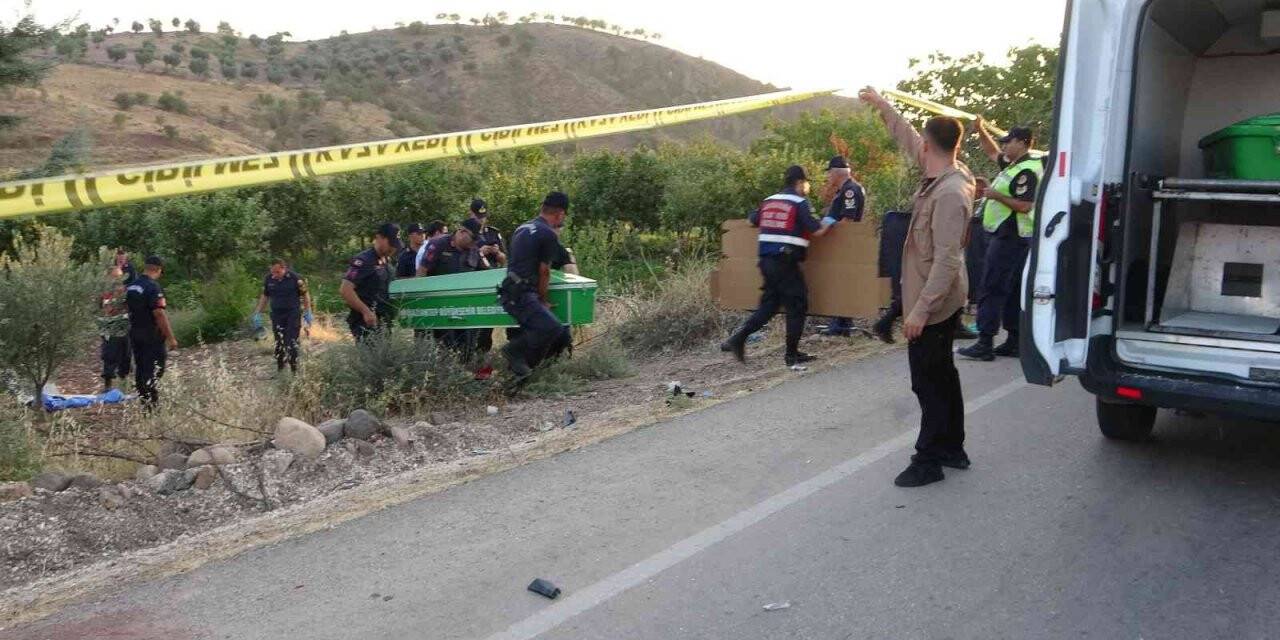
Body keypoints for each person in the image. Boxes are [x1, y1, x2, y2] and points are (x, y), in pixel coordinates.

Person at [860, 86, 974, 488]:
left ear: (929, 146)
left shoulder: (950, 193)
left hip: (935, 301)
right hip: (934, 295)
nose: (915, 146)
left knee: (927, 380)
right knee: (942, 374)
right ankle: (952, 447)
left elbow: (947, 259)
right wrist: (882, 106)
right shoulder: (943, 172)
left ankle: (928, 459)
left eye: (920, 142)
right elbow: (906, 135)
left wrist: (921, 311)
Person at [720, 165, 835, 367]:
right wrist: (830, 220)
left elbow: (751, 220)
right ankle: (791, 356)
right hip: (785, 262)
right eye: (806, 183)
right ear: (800, 183)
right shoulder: (799, 203)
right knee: (798, 305)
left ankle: (737, 339)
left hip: (766, 262)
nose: (807, 187)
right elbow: (817, 231)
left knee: (770, 305)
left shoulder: (769, 201)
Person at [957, 120, 1043, 361]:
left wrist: (996, 195)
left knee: (992, 286)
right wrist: (980, 129)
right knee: (1012, 289)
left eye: (1009, 142)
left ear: (1023, 143)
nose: (1004, 147)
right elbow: (992, 152)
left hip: (1010, 235)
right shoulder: (1016, 164)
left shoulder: (1027, 170)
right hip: (1011, 236)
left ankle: (985, 341)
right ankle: (1014, 340)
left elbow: (1025, 205)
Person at [498, 192, 574, 380]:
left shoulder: (522, 228)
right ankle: (513, 352)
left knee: (559, 333)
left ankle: (528, 371)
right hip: (522, 293)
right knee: (553, 328)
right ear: (560, 214)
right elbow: (544, 271)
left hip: (511, 290)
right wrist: (543, 299)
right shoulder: (547, 234)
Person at [818, 155, 868, 337]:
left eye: (829, 173)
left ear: (836, 173)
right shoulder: (845, 189)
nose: (828, 177)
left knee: (841, 282)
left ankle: (841, 324)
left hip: (845, 243)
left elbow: (848, 220)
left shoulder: (850, 190)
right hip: (843, 243)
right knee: (842, 281)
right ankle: (842, 322)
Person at [419, 224, 486, 356]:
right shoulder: (438, 244)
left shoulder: (474, 250)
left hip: (465, 308)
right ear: (462, 232)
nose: (474, 243)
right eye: (472, 239)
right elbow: (421, 272)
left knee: (466, 348)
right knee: (444, 347)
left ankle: (463, 372)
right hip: (440, 307)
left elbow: (484, 274)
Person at [125, 256, 177, 408]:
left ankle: (144, 403)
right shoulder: (153, 287)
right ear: (158, 270)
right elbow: (159, 314)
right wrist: (171, 338)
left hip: (135, 333)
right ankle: (151, 407)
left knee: (141, 369)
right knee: (154, 371)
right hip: (151, 336)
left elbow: (127, 308)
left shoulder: (132, 286)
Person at [340, 223, 401, 342]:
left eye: (395, 245)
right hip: (366, 322)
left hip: (383, 320)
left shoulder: (386, 261)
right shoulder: (364, 260)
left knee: (384, 358)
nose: (393, 248)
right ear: (379, 238)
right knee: (371, 357)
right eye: (391, 244)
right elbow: (345, 290)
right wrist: (366, 311)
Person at [252, 259, 314, 374]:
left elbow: (305, 295)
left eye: (277, 272)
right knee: (278, 343)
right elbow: (265, 296)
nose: (274, 275)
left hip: (292, 314)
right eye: (272, 272)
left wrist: (308, 311)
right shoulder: (269, 279)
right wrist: (258, 313)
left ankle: (294, 371)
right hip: (277, 315)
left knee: (291, 342)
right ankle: (280, 370)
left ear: (284, 268)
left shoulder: (296, 279)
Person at [97, 265, 131, 391]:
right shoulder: (106, 293)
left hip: (124, 326)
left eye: (119, 277)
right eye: (115, 277)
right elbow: (105, 309)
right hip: (110, 327)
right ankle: (108, 384)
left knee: (126, 355)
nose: (118, 280)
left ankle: (124, 383)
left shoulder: (126, 290)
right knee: (109, 355)